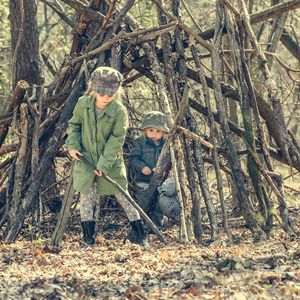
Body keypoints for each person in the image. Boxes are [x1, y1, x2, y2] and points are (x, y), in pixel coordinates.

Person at [66, 66, 149, 248]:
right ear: (93, 88)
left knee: (123, 196)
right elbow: (75, 126)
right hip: (85, 160)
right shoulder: (82, 103)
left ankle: (141, 236)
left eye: (109, 95)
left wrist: (103, 164)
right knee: (86, 198)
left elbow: (116, 140)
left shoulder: (120, 112)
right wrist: (72, 146)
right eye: (101, 93)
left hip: (110, 163)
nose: (105, 98)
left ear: (116, 92)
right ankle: (88, 239)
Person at [129, 111, 169, 233]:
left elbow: (169, 160)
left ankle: (156, 228)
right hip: (143, 181)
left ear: (163, 132)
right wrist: (142, 167)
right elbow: (133, 159)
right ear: (145, 130)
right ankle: (144, 229)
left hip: (160, 181)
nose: (154, 134)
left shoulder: (166, 144)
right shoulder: (140, 142)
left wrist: (164, 170)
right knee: (144, 203)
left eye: (158, 131)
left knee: (158, 205)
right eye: (151, 130)